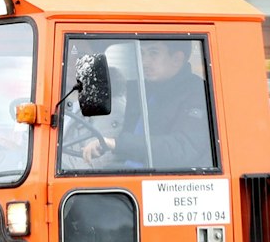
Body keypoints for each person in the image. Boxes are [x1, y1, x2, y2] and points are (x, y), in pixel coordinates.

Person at [76, 37, 212, 171]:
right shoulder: (139, 89)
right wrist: (107, 145)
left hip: (171, 182)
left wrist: (118, 144)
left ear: (176, 59)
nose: (144, 61)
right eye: (142, 53)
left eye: (153, 53)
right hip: (130, 172)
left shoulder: (198, 93)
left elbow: (183, 148)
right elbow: (130, 139)